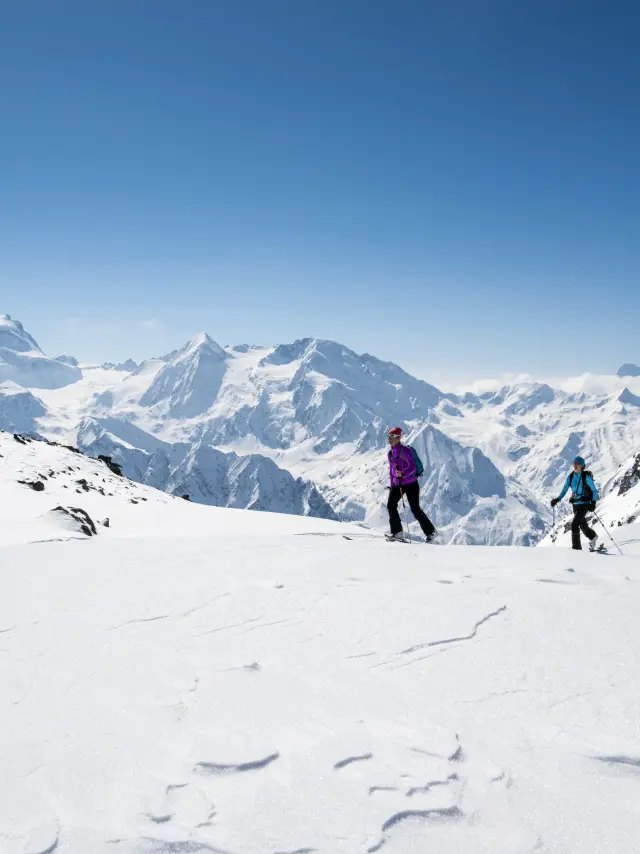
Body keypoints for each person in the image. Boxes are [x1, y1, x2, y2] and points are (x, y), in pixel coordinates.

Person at [387, 427, 436, 542]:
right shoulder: (390, 453)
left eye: (392, 436)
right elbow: (391, 471)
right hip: (397, 484)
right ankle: (397, 532)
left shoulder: (405, 451)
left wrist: (402, 473)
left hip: (411, 484)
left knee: (415, 509)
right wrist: (391, 484)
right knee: (391, 505)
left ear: (398, 438)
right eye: (388, 436)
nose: (389, 438)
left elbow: (413, 468)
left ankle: (431, 533)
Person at [551, 456, 599, 551]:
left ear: (581, 465)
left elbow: (594, 491)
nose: (574, 465)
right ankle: (593, 536)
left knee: (574, 524)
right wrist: (557, 499)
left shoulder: (586, 477)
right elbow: (564, 489)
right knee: (582, 524)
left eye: (577, 464)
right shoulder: (571, 476)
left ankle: (576, 549)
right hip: (575, 504)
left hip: (585, 504)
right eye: (574, 463)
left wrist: (593, 503)